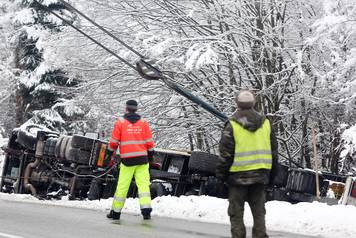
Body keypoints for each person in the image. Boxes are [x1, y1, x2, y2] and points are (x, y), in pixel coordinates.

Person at [216, 90, 278, 238]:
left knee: (236, 213)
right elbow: (274, 153)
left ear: (237, 103)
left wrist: (220, 176)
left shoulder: (232, 124)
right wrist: (272, 176)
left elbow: (225, 154)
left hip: (238, 178)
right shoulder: (266, 124)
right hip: (261, 176)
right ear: (253, 103)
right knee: (259, 213)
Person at [106, 99, 155, 220]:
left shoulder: (120, 122)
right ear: (136, 109)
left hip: (127, 161)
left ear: (126, 108)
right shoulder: (143, 123)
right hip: (142, 160)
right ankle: (146, 211)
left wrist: (109, 153)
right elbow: (149, 142)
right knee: (143, 185)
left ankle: (116, 212)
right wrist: (150, 155)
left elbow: (113, 142)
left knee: (123, 186)